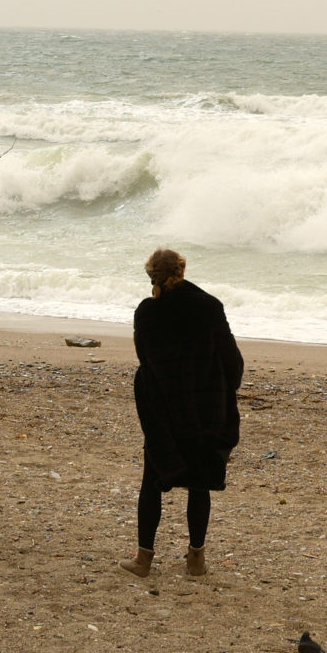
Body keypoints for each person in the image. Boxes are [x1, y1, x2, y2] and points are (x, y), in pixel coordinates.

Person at [125, 247, 243, 579]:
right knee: (200, 483)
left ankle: (143, 561)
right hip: (206, 408)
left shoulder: (147, 312)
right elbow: (232, 361)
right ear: (182, 270)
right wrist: (223, 394)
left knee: (152, 479)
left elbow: (145, 361)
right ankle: (196, 561)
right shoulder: (209, 306)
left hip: (164, 410)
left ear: (152, 276)